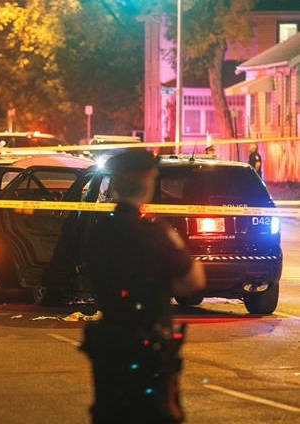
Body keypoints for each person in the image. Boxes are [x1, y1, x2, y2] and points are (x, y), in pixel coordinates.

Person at [79, 150, 205, 424]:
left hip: (110, 348)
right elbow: (194, 281)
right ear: (149, 182)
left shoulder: (100, 232)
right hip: (148, 351)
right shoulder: (154, 233)